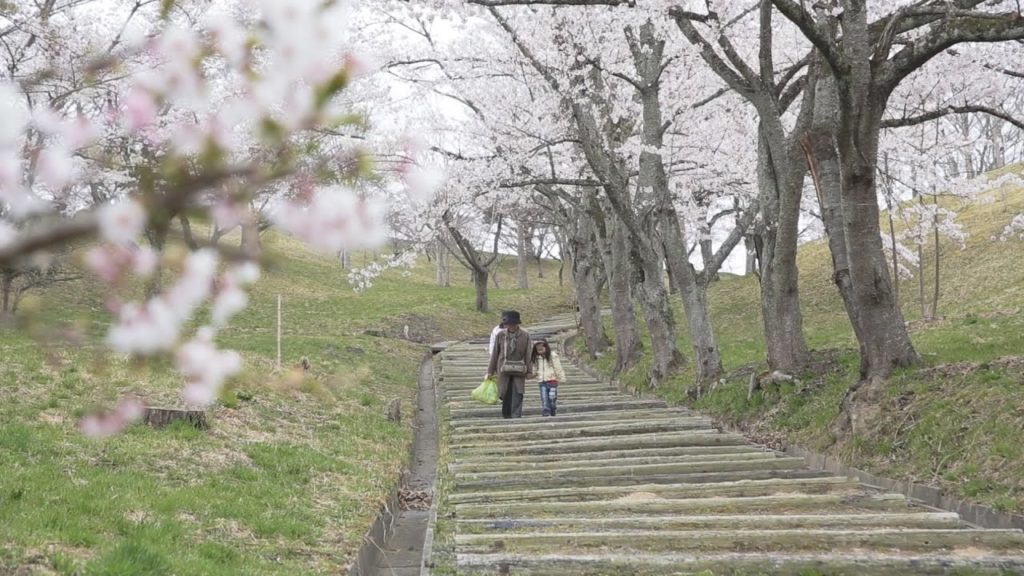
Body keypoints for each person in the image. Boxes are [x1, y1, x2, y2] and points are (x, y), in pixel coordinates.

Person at [486, 310, 532, 419]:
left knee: (518, 391)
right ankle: (506, 414)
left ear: (517, 324)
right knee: (504, 391)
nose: (510, 326)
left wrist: (529, 371)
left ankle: (516, 415)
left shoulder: (525, 335)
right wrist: (490, 371)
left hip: (519, 366)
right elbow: (495, 354)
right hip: (502, 366)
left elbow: (528, 353)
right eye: (507, 324)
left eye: (512, 324)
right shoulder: (500, 335)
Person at [530, 339, 565, 417]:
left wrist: (560, 378)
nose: (540, 350)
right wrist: (531, 375)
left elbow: (558, 367)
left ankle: (553, 409)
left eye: (542, 348)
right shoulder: (536, 358)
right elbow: (535, 369)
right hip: (542, 381)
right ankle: (546, 412)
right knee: (544, 398)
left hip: (552, 380)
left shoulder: (552, 356)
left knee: (552, 398)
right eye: (538, 349)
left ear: (546, 347)